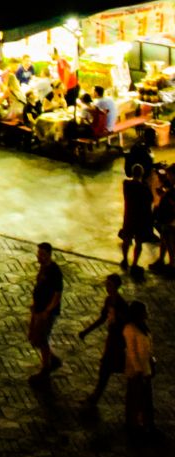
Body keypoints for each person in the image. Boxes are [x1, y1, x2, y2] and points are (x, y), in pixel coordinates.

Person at [81, 272, 131, 408]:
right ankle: (95, 397)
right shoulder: (109, 300)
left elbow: (127, 323)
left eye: (110, 285)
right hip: (112, 340)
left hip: (118, 342)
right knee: (106, 369)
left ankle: (95, 398)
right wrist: (87, 331)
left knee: (107, 369)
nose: (107, 287)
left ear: (116, 286)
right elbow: (103, 318)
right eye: (106, 284)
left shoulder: (122, 304)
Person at [30, 241, 64, 382]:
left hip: (46, 312)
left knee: (42, 339)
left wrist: (47, 311)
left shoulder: (54, 271)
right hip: (38, 309)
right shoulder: (43, 268)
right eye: (39, 253)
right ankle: (52, 359)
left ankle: (46, 369)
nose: (39, 257)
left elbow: (57, 295)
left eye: (43, 254)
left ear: (49, 255)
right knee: (35, 338)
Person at [124, 302, 156, 437]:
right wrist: (138, 371)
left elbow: (148, 347)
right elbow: (132, 352)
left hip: (146, 368)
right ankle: (135, 425)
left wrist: (152, 361)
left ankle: (147, 424)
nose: (146, 313)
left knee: (146, 399)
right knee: (136, 399)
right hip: (137, 372)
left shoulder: (143, 327)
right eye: (144, 311)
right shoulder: (129, 329)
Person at [122, 164, 154, 269]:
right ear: (142, 174)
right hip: (140, 218)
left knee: (126, 239)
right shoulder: (144, 188)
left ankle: (125, 259)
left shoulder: (126, 185)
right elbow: (150, 200)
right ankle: (135, 263)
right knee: (138, 242)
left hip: (129, 216)